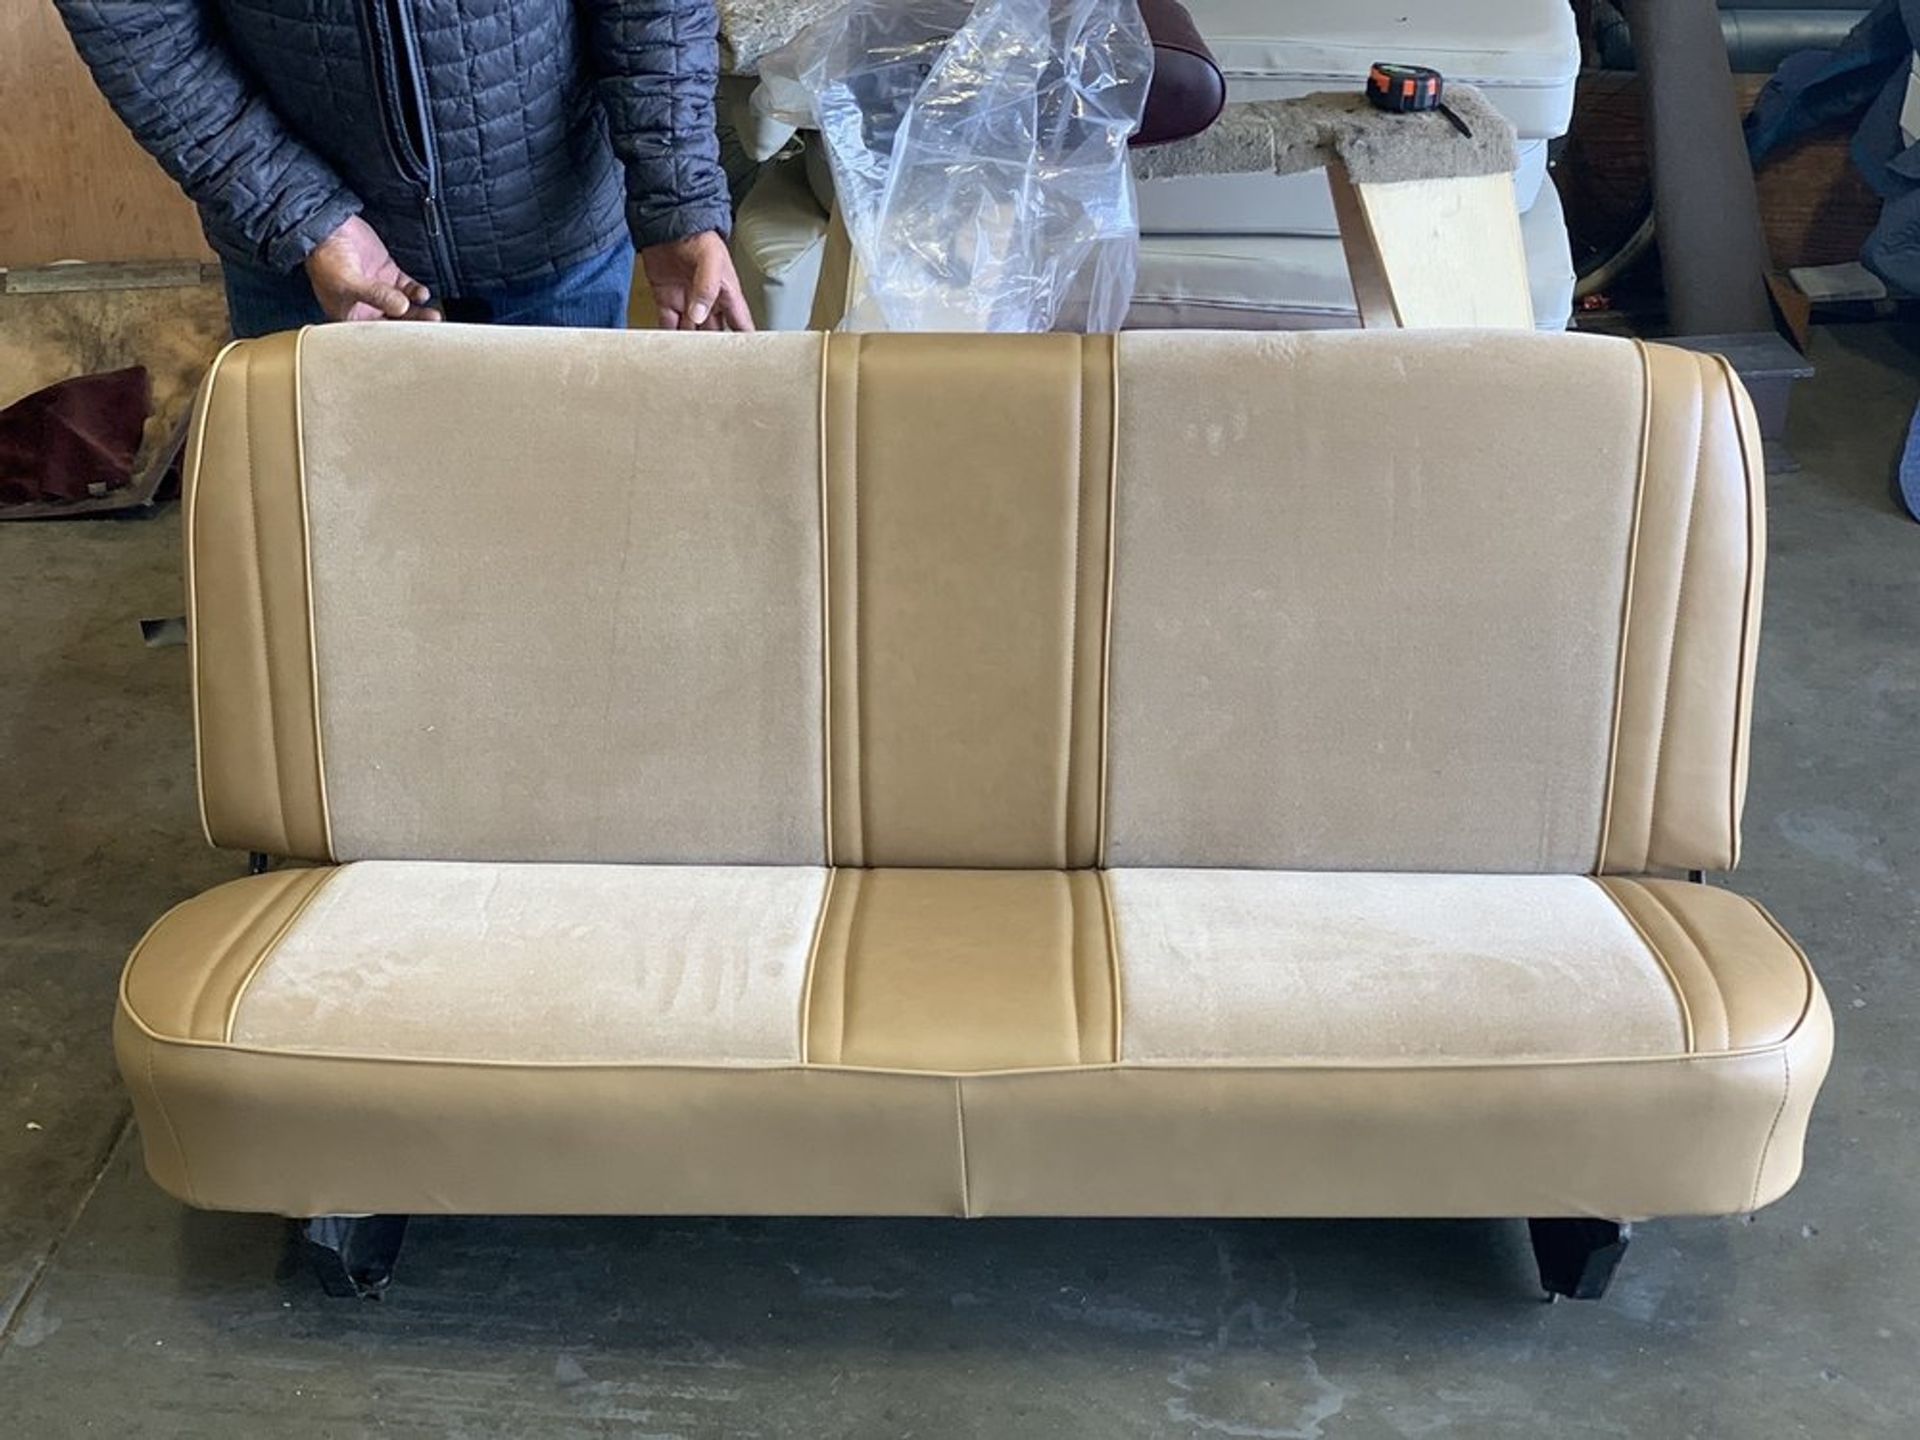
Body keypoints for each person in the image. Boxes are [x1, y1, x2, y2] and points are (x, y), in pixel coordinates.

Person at [55, 0, 754, 337]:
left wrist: (677, 193)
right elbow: (135, 26)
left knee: (558, 538)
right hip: (302, 256)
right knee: (333, 565)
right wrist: (305, 220)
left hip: (552, 237)